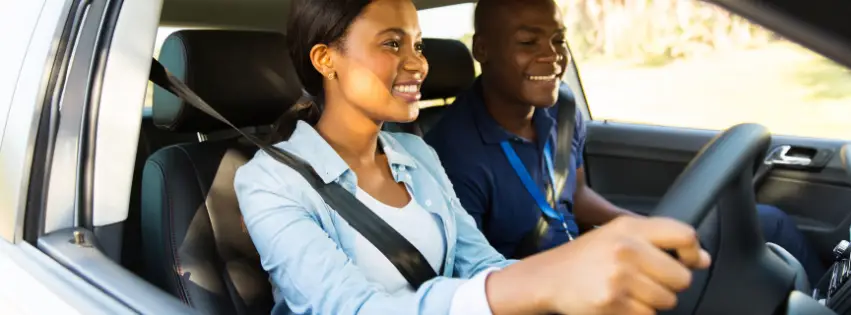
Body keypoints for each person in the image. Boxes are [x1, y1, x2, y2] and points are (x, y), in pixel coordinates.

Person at [234, 0, 710, 314]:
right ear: (326, 59)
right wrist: (539, 283)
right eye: (392, 43)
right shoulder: (269, 182)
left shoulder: (415, 153)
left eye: (418, 45)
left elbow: (478, 260)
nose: (419, 63)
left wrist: (564, 280)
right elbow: (351, 310)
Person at [425, 0, 824, 284]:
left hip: (594, 254)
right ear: (483, 50)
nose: (552, 57)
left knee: (768, 221)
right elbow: (475, 274)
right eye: (529, 43)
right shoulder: (451, 154)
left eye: (559, 40)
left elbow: (576, 198)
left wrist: (646, 228)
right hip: (546, 285)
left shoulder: (562, 107)